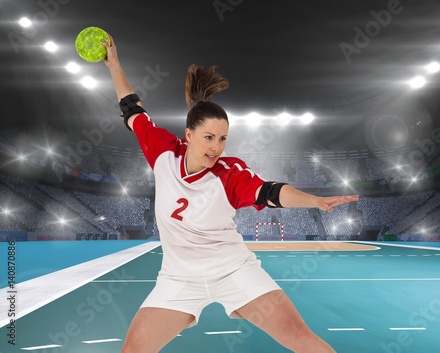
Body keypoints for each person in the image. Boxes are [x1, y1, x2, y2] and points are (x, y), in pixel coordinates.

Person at [102, 34, 359, 353]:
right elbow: (132, 110)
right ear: (189, 134)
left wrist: (313, 200)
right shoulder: (164, 153)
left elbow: (271, 192)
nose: (216, 147)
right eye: (209, 137)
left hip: (233, 271)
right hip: (179, 278)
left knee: (301, 339)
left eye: (223, 138)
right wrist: (114, 63)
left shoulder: (228, 174)